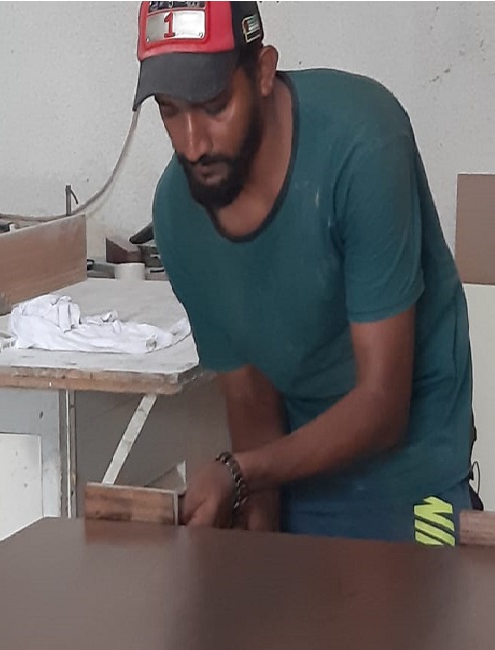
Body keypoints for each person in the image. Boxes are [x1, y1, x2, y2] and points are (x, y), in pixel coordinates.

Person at [132, 0, 477, 545]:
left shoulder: (363, 144)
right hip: (296, 463)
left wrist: (241, 473)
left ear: (263, 72)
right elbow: (250, 399)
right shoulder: (179, 215)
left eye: (215, 106)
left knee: (417, 597)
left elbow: (384, 406)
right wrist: (259, 527)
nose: (193, 143)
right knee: (285, 593)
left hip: (419, 467)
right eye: (170, 111)